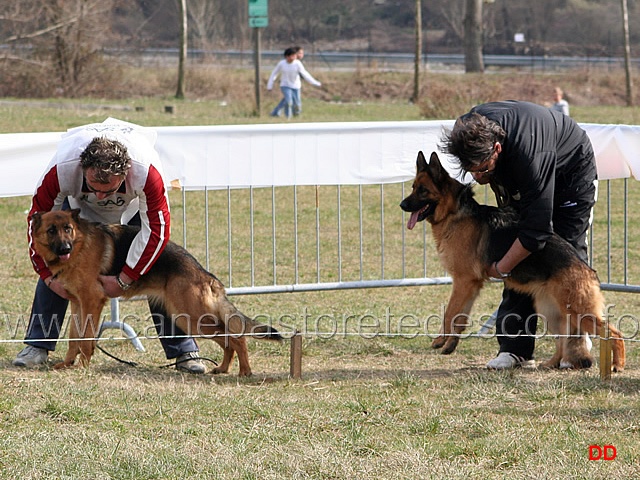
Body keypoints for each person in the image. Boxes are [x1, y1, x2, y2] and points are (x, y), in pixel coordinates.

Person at [13, 118, 206, 373]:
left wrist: (126, 278)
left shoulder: (146, 173)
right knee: (58, 259)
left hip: (134, 207)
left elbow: (157, 231)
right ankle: (37, 345)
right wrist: (48, 277)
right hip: (77, 210)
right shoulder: (62, 169)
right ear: (83, 169)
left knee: (158, 269)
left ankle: (184, 351)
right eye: (95, 186)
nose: (102, 196)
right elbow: (34, 224)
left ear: (126, 173)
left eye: (109, 188)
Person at [440, 100, 597, 370]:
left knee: (565, 254)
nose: (477, 178)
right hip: (520, 167)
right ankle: (514, 349)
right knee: (513, 248)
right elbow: (519, 238)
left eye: (482, 169)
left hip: (570, 173)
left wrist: (501, 267)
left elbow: (537, 230)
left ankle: (575, 348)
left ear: (497, 149)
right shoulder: (467, 131)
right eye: (470, 170)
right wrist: (508, 262)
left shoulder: (530, 155)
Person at [267, 46, 321, 119]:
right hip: (285, 85)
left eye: (295, 55)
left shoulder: (297, 63)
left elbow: (305, 73)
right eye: (292, 56)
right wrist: (270, 85)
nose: (294, 57)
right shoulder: (282, 64)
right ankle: (288, 117)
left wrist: (314, 82)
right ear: (287, 56)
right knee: (289, 101)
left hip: (296, 86)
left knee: (297, 104)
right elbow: (274, 73)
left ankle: (296, 116)